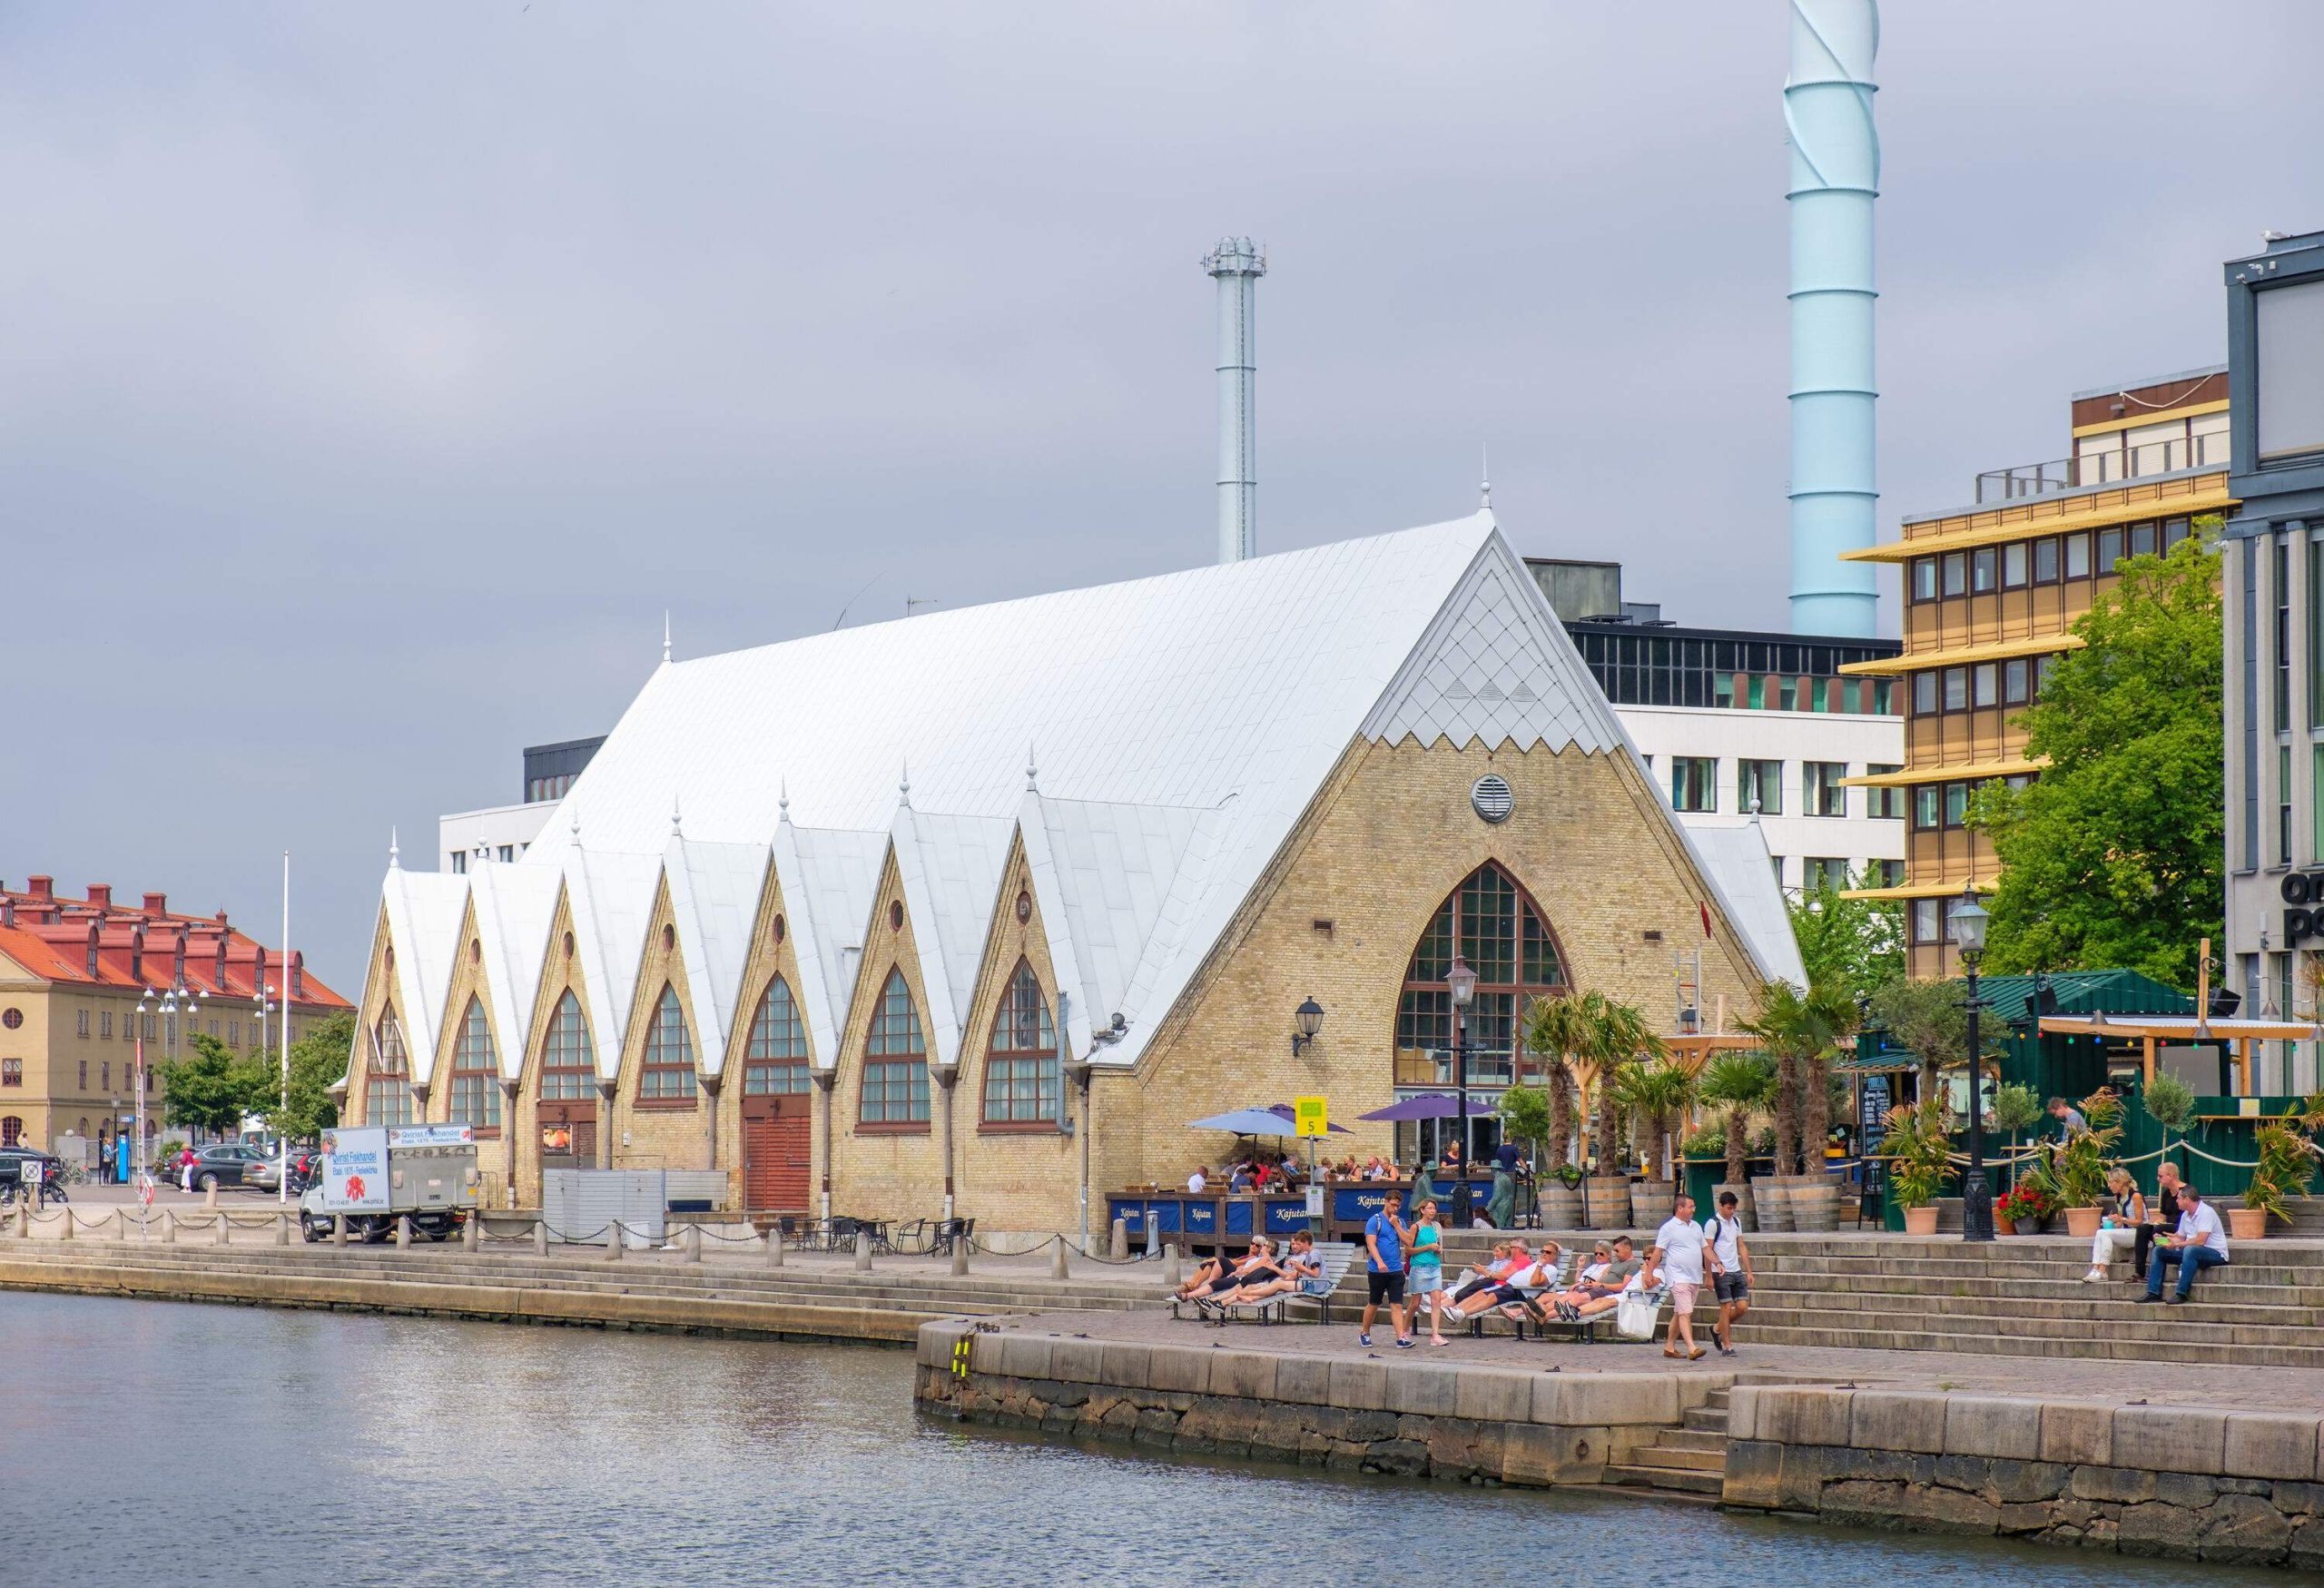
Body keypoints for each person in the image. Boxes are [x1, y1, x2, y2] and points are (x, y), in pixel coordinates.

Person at [1642, 1192, 1710, 1361]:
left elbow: (1705, 1248)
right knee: (1685, 1313)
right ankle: (1692, 1348)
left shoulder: (1695, 1226)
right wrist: (1649, 1273)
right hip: (1678, 1277)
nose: (1694, 1210)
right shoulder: (1668, 1228)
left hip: (1694, 1276)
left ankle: (1669, 1347)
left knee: (1680, 1312)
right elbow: (1658, 1252)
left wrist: (1717, 1262)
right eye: (1690, 1207)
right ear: (1680, 1208)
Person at [2138, 1183, 2230, 1305]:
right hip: (2191, 1252)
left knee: (2190, 1249)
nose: (2176, 1201)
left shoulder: (2206, 1212)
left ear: (2186, 1199)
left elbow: (2200, 1240)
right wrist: (2166, 1240)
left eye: (2179, 1198)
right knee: (2158, 1251)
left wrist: (2179, 1245)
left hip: (2215, 1253)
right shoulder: (2185, 1214)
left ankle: (2182, 1292)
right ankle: (2153, 1292)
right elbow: (2180, 1237)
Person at [1548, 1237, 1641, 1321]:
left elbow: (1623, 1287)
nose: (1615, 1254)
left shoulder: (1633, 1265)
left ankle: (1548, 1315)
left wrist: (1600, 1285)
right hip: (1597, 1287)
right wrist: (1586, 1284)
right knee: (1570, 1295)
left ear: (1628, 1249)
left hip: (1606, 1290)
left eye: (1617, 1251)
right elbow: (1601, 1278)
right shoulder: (1616, 1263)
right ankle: (1545, 1312)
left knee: (1577, 1298)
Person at [1705, 1190, 1753, 1356]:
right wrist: (1709, 1276)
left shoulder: (1736, 1222)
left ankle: (1717, 1328)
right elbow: (1707, 1250)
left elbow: (1741, 1246)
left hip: (1736, 1269)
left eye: (1734, 1208)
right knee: (1726, 1306)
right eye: (1729, 1208)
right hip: (1720, 1271)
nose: (1731, 1212)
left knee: (1742, 1307)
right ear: (1721, 1206)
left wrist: (1748, 1270)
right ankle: (1727, 1344)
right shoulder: (1712, 1223)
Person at [1360, 1201, 1412, 1349]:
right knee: (1374, 1302)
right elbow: (1371, 1244)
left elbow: (1408, 1241)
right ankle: (1365, 1333)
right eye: (1393, 1205)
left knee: (1396, 1304)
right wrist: (1379, 1261)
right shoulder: (1374, 1220)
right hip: (1377, 1270)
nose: (1395, 1208)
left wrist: (1396, 1225)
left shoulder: (1399, 1221)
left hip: (1395, 1270)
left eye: (1398, 1206)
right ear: (1386, 1202)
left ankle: (1401, 1337)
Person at [2083, 1167, 2147, 1283]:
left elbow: (2139, 1221)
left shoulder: (2136, 1196)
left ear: (2120, 1182)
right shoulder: (2118, 1197)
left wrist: (2121, 1218)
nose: (2109, 1185)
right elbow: (2123, 1222)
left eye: (2111, 1182)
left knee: (2106, 1235)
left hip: (2139, 1234)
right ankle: (2095, 1268)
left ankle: (2102, 1270)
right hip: (2127, 1231)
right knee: (2100, 1232)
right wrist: (2112, 1223)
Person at [1404, 1199, 1450, 1346]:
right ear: (1422, 1210)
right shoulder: (1415, 1227)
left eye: (1434, 1208)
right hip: (1419, 1267)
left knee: (1436, 1301)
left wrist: (1438, 1249)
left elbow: (1440, 1244)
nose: (1432, 1211)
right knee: (1415, 1303)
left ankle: (1435, 1335)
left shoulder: (1436, 1226)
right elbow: (1408, 1250)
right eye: (1429, 1208)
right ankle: (1404, 1330)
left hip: (1434, 1266)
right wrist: (1427, 1247)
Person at [2131, 1162, 2184, 1282]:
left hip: (2182, 1228)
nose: (2158, 1179)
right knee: (2143, 1229)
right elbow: (2162, 1217)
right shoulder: (2166, 1195)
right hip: (2167, 1226)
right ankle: (2139, 1271)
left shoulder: (2186, 1192)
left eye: (2160, 1176)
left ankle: (2156, 1273)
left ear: (2171, 1176)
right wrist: (2155, 1223)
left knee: (2159, 1229)